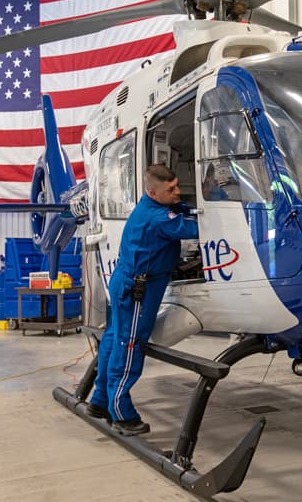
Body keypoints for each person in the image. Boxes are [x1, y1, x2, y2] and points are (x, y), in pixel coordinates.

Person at [87, 164, 199, 436]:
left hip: (127, 282)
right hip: (139, 290)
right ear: (152, 191)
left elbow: (175, 212)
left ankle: (100, 401)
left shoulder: (150, 206)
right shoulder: (159, 218)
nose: (178, 192)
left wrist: (182, 206)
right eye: (170, 189)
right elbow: (191, 229)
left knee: (114, 339)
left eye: (176, 186)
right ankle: (122, 413)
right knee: (129, 345)